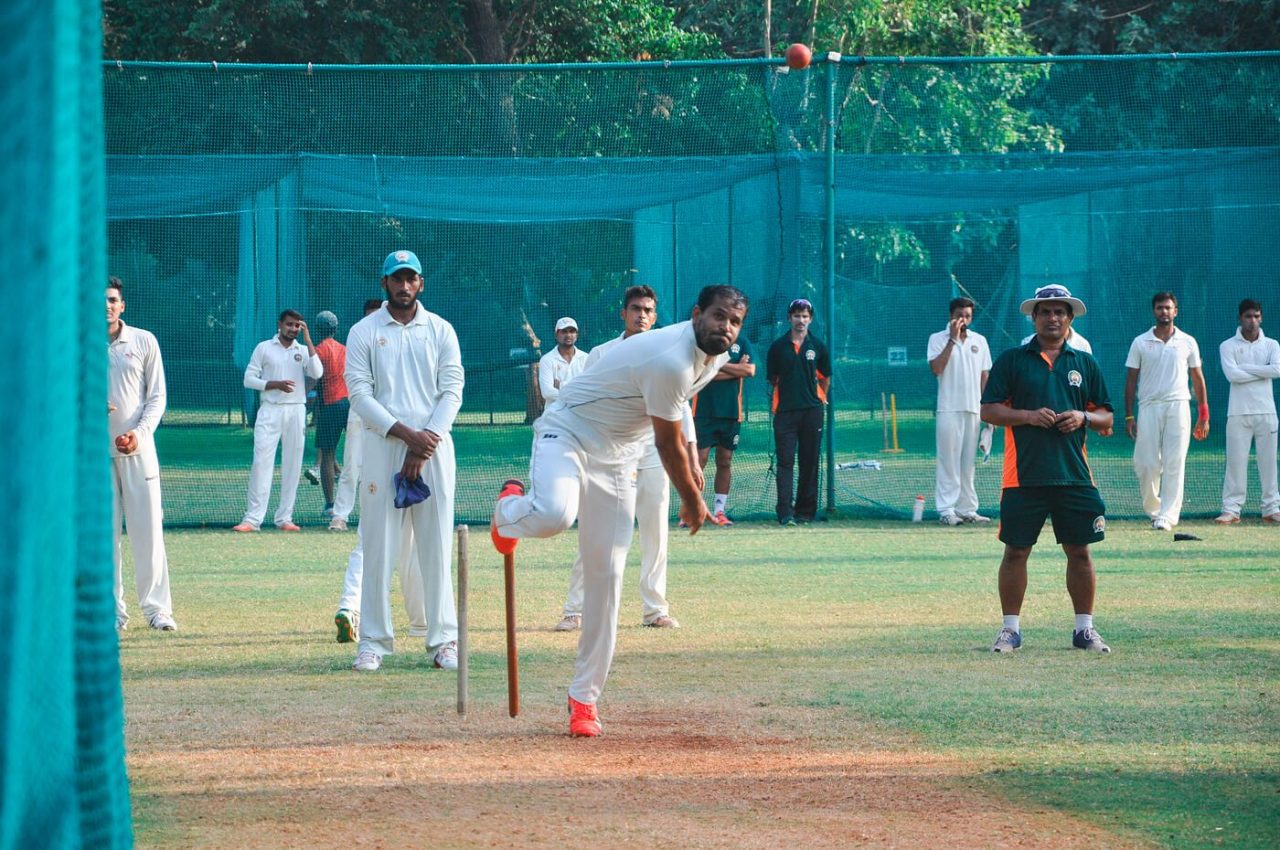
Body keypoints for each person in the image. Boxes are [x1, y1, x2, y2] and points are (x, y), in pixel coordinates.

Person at [493, 285, 747, 737]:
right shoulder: (670, 357)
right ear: (696, 314)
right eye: (718, 317)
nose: (725, 328)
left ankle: (584, 701)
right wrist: (691, 499)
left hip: (619, 457)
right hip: (568, 432)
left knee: (607, 579)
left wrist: (689, 468)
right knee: (554, 515)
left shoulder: (713, 358)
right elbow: (667, 444)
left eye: (735, 322)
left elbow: (673, 422)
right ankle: (507, 511)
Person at [552, 286, 698, 632]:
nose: (642, 315)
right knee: (597, 532)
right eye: (635, 309)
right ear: (623, 314)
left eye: (648, 309)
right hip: (609, 454)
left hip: (654, 451)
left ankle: (655, 609)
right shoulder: (602, 354)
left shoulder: (670, 352)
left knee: (655, 532)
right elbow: (587, 403)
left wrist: (691, 457)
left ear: (655, 316)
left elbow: (680, 407)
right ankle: (575, 608)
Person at [345, 250, 463, 672]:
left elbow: (451, 390)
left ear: (421, 283)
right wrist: (406, 436)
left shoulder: (441, 329)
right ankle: (373, 641)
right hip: (384, 447)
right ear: (384, 284)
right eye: (397, 278)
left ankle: (443, 640)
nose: (404, 285)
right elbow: (360, 395)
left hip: (433, 446)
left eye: (411, 278)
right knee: (378, 547)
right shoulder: (362, 332)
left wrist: (424, 441)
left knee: (436, 548)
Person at [979, 284, 1114, 654]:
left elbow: (1106, 417)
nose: (1052, 317)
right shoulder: (1012, 360)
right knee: (1015, 552)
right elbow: (988, 410)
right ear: (1033, 317)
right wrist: (1027, 416)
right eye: (1045, 311)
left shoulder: (1084, 362)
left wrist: (1083, 416)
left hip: (1074, 475)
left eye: (1060, 312)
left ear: (1070, 318)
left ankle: (1084, 630)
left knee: (1080, 552)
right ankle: (1010, 631)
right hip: (1023, 476)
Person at [106, 277, 177, 632]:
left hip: (138, 451)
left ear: (122, 305)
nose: (106, 306)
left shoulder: (144, 340)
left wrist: (138, 433)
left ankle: (157, 610)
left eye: (112, 300)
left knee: (148, 533)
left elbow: (157, 397)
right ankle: (111, 613)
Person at [1124, 291, 1209, 530]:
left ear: (1176, 311)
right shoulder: (1140, 342)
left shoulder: (1188, 341)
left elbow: (1198, 378)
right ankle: (1154, 510)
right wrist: (1129, 415)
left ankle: (1168, 516)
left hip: (1179, 405)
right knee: (1146, 463)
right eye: (1160, 307)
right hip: (1148, 406)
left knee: (1175, 461)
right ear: (1154, 311)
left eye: (1168, 308)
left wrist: (1204, 415)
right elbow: (1131, 380)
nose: (1164, 311)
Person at [233, 310, 322, 532]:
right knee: (261, 462)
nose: (292, 329)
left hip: (296, 411)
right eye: (289, 324)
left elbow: (317, 372)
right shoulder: (264, 348)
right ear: (279, 324)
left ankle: (285, 517)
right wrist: (274, 384)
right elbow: (249, 379)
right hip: (270, 410)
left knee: (293, 463)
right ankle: (252, 520)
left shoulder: (302, 350)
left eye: (296, 326)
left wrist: (309, 340)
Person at [927, 297, 992, 525]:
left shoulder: (980, 341)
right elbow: (936, 368)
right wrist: (952, 341)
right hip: (948, 409)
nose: (963, 320)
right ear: (951, 316)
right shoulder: (937, 339)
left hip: (973, 409)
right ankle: (946, 510)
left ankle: (967, 509)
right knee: (949, 461)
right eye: (959, 315)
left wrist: (988, 410)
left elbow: (985, 376)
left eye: (968, 316)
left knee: (968, 463)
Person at [1216, 299, 1280, 524]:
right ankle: (1231, 510)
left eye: (1256, 316)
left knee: (1269, 462)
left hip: (1267, 413)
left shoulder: (1272, 345)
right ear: (1240, 318)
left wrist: (1244, 368)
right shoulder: (1227, 346)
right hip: (1238, 413)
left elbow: (1277, 370)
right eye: (1247, 316)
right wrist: (1263, 371)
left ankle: (1272, 508)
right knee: (1235, 462)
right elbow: (1232, 376)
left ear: (1261, 317)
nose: (1252, 321)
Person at [766, 298, 830, 525]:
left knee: (809, 461)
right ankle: (785, 512)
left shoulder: (818, 346)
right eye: (796, 316)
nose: (800, 320)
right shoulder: (777, 347)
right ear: (789, 318)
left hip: (812, 412)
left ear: (810, 319)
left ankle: (806, 512)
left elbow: (825, 376)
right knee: (785, 462)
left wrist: (817, 397)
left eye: (805, 316)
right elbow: (772, 379)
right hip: (785, 413)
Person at [330, 299, 384, 532]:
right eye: (369, 315)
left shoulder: (394, 341)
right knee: (352, 464)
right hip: (359, 411)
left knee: (386, 466)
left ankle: (381, 515)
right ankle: (340, 515)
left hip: (388, 413)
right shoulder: (356, 340)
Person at [691, 330, 754, 526]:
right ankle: (693, 510)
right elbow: (698, 375)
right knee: (698, 461)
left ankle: (719, 510)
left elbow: (750, 371)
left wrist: (716, 366)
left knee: (724, 461)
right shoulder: (703, 339)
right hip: (703, 412)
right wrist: (736, 369)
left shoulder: (743, 341)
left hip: (731, 413)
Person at [308, 310, 348, 519]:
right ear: (335, 328)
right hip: (348, 404)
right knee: (356, 452)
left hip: (330, 405)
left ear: (318, 329)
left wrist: (305, 399)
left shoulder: (318, 351)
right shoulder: (345, 349)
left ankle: (330, 504)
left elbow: (313, 380)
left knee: (327, 455)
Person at [538, 316, 588, 404]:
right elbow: (547, 393)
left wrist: (561, 385)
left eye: (572, 331)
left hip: (580, 414)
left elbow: (590, 388)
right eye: (564, 331)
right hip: (556, 415)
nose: (568, 335)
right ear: (556, 335)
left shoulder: (586, 358)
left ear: (577, 335)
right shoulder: (546, 360)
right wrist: (578, 396)